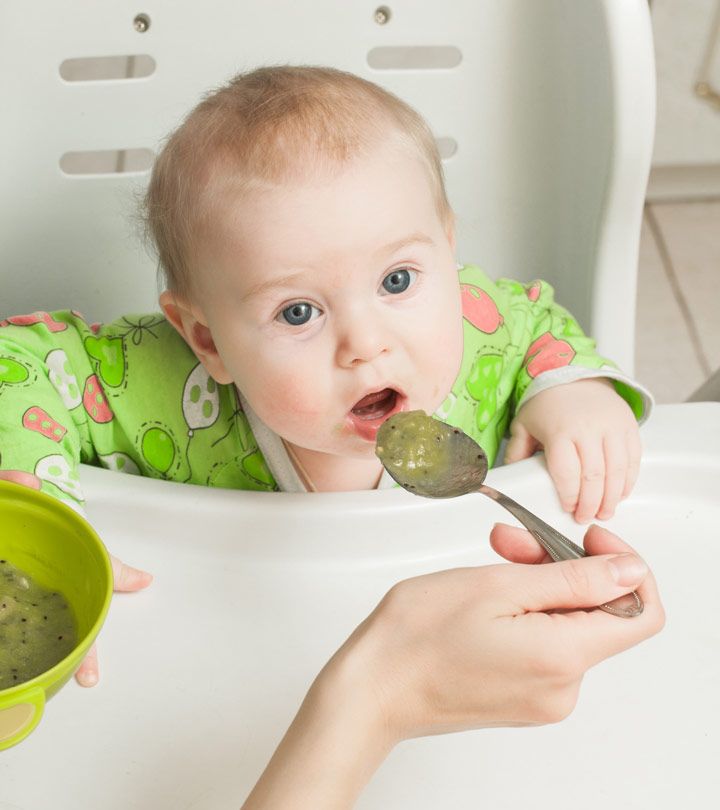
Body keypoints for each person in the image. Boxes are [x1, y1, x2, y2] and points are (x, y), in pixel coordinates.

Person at [0, 65, 652, 691]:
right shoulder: (156, 387)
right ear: (207, 338)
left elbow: (535, 320)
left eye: (397, 280)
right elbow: (22, 361)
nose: (366, 345)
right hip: (234, 671)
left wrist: (571, 391)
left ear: (448, 251)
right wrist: (39, 504)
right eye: (298, 312)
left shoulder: (481, 330)